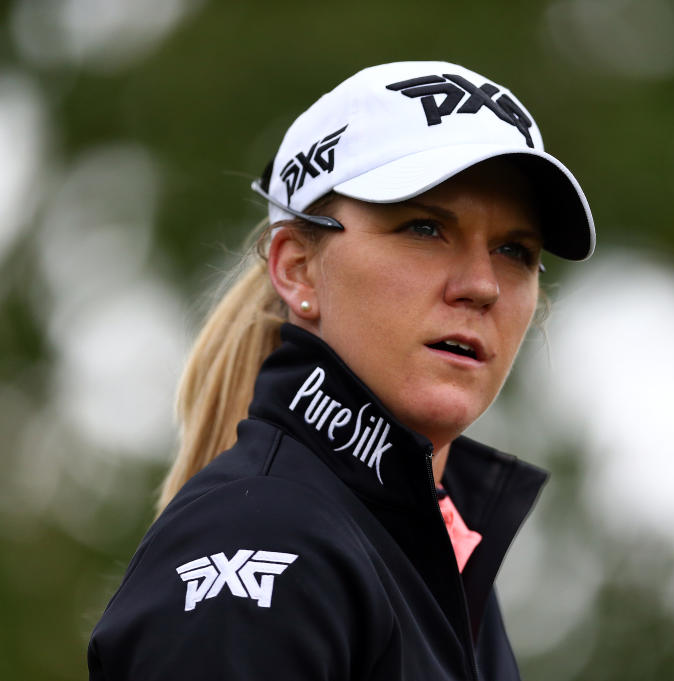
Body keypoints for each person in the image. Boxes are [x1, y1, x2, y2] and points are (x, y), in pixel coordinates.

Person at [87, 61, 594, 681]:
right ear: (298, 268)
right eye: (425, 227)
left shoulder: (445, 572)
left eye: (515, 251)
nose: (482, 285)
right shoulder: (265, 537)